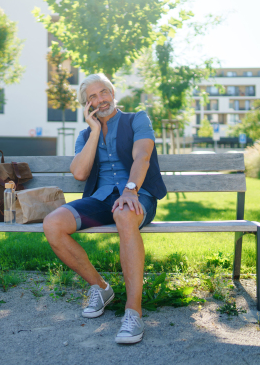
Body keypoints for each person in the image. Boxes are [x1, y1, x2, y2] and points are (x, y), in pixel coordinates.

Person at [43, 73, 167, 344]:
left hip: (138, 195)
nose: (100, 100)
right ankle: (100, 288)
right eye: (92, 98)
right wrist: (95, 130)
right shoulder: (86, 134)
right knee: (53, 224)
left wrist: (130, 189)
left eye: (103, 93)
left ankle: (133, 312)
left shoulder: (137, 119)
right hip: (101, 199)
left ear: (112, 93)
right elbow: (79, 172)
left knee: (123, 213)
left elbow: (142, 155)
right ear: (87, 106)